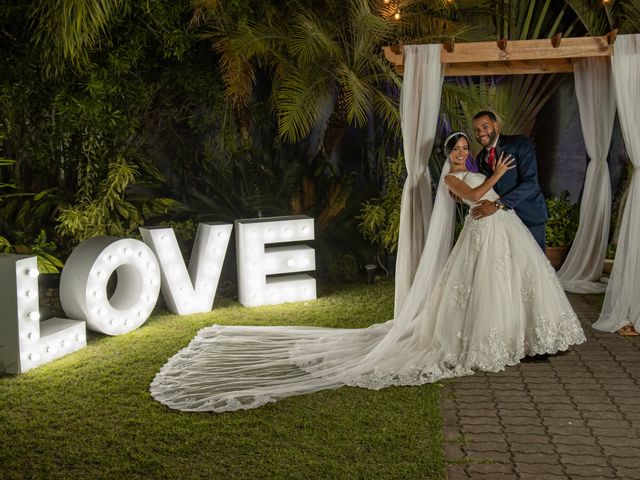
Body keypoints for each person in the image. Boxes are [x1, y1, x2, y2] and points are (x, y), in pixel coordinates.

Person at [149, 133, 585, 413]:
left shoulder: (472, 168)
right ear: (447, 156)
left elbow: (486, 191)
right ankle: (483, 340)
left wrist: (495, 189)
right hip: (479, 233)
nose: (461, 153)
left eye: (465, 148)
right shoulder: (453, 178)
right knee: (477, 290)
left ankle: (521, 335)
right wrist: (498, 178)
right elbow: (475, 193)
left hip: (498, 230)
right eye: (456, 150)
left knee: (506, 286)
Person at [471, 111, 548, 251]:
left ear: (496, 126)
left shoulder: (519, 143)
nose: (481, 133)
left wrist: (498, 205)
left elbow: (530, 183)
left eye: (485, 126)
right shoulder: (480, 159)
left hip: (528, 216)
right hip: (503, 222)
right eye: (476, 130)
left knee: (536, 269)